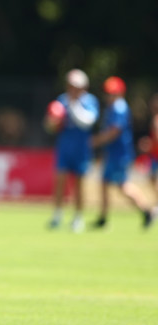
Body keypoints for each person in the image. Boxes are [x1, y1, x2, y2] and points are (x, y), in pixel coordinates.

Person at [91, 76, 154, 229]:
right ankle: (103, 217)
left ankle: (146, 210)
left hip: (119, 155)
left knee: (123, 186)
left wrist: (97, 141)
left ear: (119, 93)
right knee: (105, 183)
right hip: (113, 153)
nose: (108, 96)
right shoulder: (112, 108)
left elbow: (114, 132)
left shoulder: (119, 108)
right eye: (107, 92)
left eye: (112, 93)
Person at [45, 69, 99, 233]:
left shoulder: (90, 101)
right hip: (65, 147)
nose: (72, 89)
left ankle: (78, 218)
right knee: (60, 181)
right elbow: (50, 126)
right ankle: (57, 215)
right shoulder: (61, 100)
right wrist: (52, 121)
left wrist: (74, 105)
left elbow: (87, 122)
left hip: (81, 149)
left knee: (79, 184)